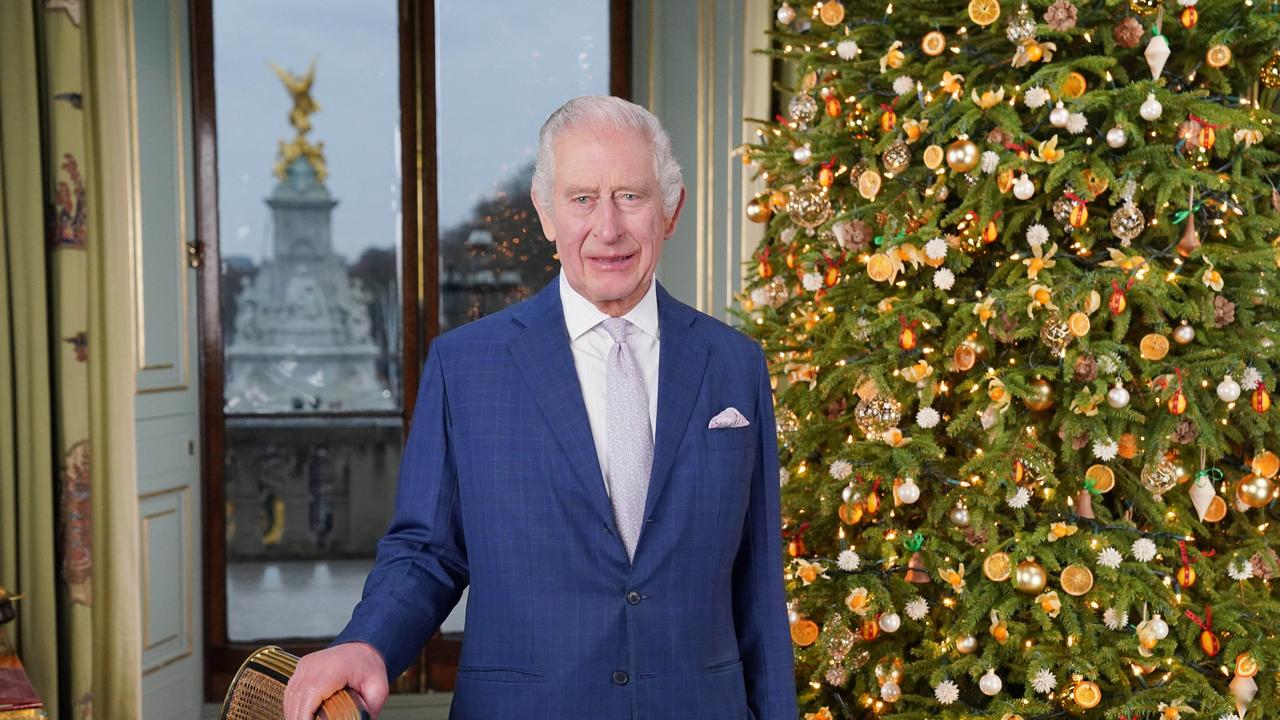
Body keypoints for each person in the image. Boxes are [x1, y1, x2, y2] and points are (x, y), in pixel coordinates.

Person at [283, 96, 796, 720]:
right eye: (582, 198)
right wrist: (366, 645)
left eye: (631, 196)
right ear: (546, 213)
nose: (607, 228)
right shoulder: (465, 366)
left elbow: (759, 586)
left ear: (671, 210)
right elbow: (427, 551)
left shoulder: (735, 364)